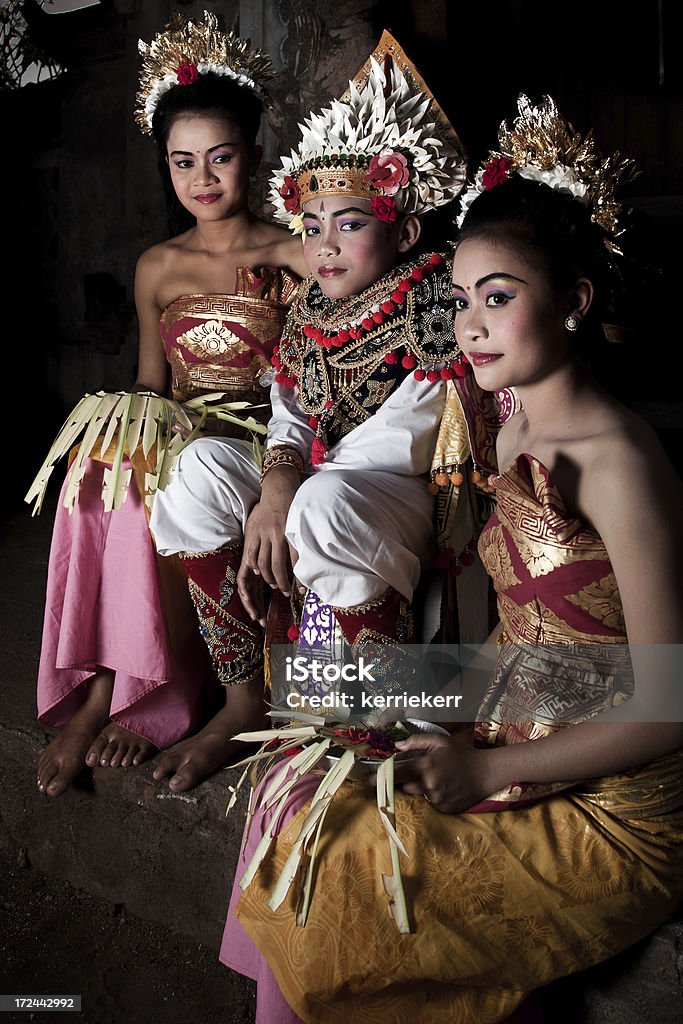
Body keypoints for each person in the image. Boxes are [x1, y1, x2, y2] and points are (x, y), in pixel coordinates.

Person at [219, 94, 683, 1023]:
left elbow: (670, 706)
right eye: (461, 299)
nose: (468, 325)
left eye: (498, 299)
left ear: (575, 303)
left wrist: (482, 772)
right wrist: (434, 701)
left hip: (614, 793)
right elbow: (508, 630)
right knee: (295, 759)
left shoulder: (617, 461)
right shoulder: (501, 422)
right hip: (517, 697)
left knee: (341, 856)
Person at [148, 29, 500, 794]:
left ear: (401, 229)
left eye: (349, 223)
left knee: (324, 505)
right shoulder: (309, 308)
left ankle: (371, 719)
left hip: (395, 488)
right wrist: (276, 479)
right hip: (311, 477)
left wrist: (297, 487)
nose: (324, 246)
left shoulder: (435, 299)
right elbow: (290, 404)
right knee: (198, 471)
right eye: (311, 227)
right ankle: (244, 695)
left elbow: (416, 428)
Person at [35, 10, 308, 799]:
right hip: (181, 427)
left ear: (253, 157)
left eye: (220, 157)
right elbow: (151, 382)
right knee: (101, 477)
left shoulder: (294, 250)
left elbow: (318, 375)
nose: (202, 179)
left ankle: (189, 692)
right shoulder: (158, 264)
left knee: (183, 473)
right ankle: (104, 693)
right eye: (182, 162)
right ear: (165, 165)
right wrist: (121, 440)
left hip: (260, 441)